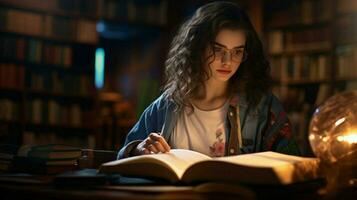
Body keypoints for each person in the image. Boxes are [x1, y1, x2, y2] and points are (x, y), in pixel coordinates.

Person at [118, 1, 300, 159]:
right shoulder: (168, 104)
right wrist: (139, 150)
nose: (227, 61)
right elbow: (123, 155)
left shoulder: (262, 107)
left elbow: (294, 163)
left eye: (237, 51)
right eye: (218, 49)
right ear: (197, 48)